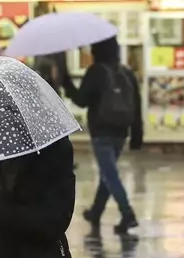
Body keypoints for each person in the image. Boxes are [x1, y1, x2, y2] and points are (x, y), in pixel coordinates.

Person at [58, 36, 142, 234]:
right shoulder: (126, 72)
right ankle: (96, 212)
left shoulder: (96, 72)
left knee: (110, 174)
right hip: (121, 132)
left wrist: (67, 83)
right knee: (108, 172)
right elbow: (136, 104)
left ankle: (127, 214)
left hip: (102, 131)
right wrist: (137, 134)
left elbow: (81, 101)